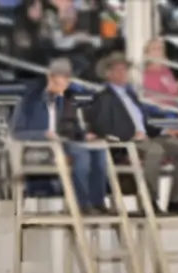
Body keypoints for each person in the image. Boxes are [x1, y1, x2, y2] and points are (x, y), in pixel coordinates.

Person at [84, 52, 178, 216]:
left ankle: (176, 201)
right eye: (119, 70)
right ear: (108, 73)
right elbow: (101, 127)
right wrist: (130, 135)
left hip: (147, 137)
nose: (124, 73)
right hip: (127, 141)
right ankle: (149, 202)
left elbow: (145, 124)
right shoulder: (102, 98)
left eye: (125, 69)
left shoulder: (131, 94)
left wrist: (167, 130)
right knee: (155, 150)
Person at [10, 58, 110, 214]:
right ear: (51, 77)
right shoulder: (29, 102)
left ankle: (97, 202)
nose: (65, 82)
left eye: (67, 78)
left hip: (63, 146)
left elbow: (72, 129)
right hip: (37, 150)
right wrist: (43, 135)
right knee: (80, 154)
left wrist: (85, 136)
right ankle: (81, 204)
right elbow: (17, 133)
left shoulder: (66, 102)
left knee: (99, 152)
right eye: (62, 78)